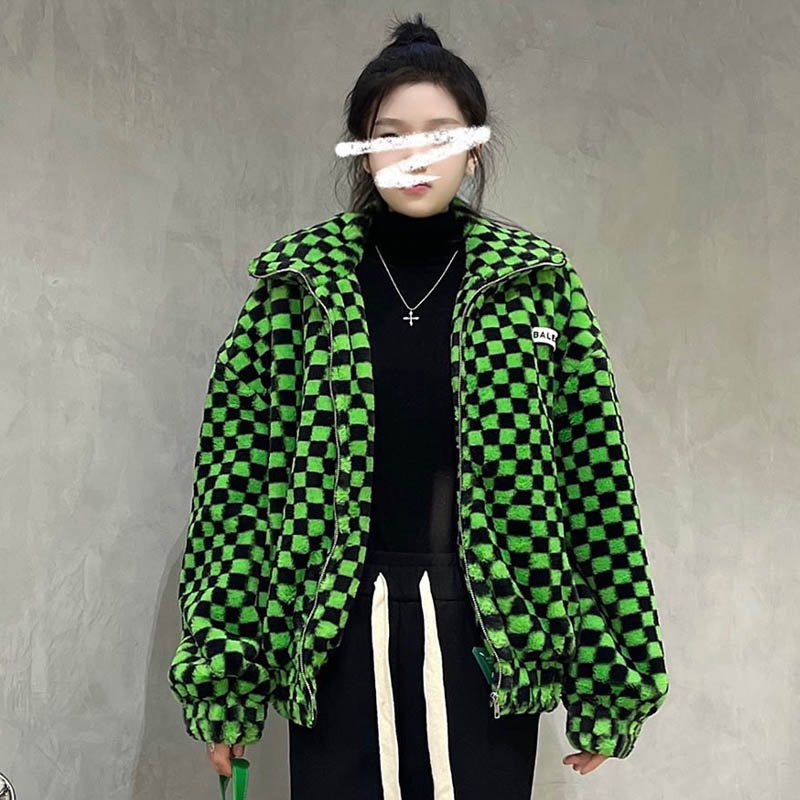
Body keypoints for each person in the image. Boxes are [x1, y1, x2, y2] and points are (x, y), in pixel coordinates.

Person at [168, 13, 670, 798]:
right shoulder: (294, 292)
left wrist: (612, 683)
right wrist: (223, 685)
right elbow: (234, 494)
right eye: (390, 135)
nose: (415, 155)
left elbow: (595, 485)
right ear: (362, 150)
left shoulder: (536, 287)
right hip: (330, 631)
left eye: (441, 134)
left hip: (491, 630)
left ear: (474, 151)